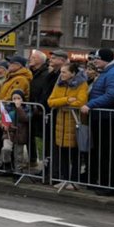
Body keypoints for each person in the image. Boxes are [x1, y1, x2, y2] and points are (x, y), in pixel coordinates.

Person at [82, 48, 114, 192]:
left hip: (108, 119)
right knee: (101, 152)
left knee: (108, 153)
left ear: (105, 59)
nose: (95, 61)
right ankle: (99, 181)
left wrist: (90, 104)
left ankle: (109, 185)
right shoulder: (108, 72)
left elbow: (111, 95)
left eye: (97, 59)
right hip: (101, 118)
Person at [47, 61, 89, 190]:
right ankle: (64, 179)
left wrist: (63, 104)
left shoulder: (82, 84)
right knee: (63, 153)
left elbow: (80, 101)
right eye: (61, 72)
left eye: (64, 72)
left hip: (74, 122)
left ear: (73, 73)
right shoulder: (59, 83)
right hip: (61, 123)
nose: (62, 74)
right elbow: (50, 101)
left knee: (74, 154)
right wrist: (66, 100)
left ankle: (74, 180)